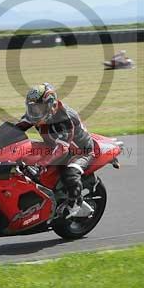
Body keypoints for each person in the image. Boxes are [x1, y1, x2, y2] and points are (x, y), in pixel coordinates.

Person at [16, 83, 95, 218]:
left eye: (39, 107)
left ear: (51, 105)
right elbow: (17, 128)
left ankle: (75, 204)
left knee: (70, 174)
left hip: (79, 151)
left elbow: (62, 148)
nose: (35, 111)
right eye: (32, 107)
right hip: (54, 145)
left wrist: (40, 165)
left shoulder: (65, 118)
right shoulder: (36, 114)